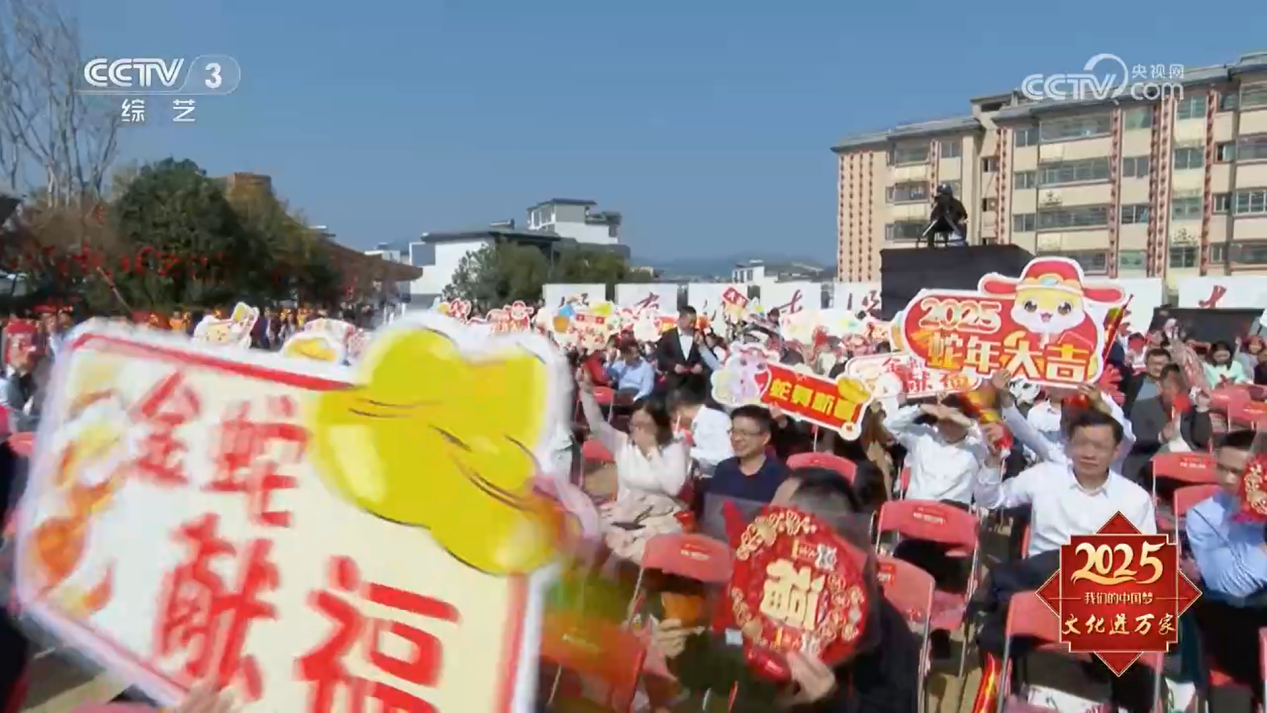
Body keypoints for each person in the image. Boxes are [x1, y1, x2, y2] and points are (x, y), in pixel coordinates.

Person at [653, 468, 921, 713]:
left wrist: (833, 700)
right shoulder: (758, 595)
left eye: (782, 520)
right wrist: (685, 652)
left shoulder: (884, 631)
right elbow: (721, 673)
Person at [970, 410, 1159, 713]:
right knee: (996, 630)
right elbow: (991, 500)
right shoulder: (1046, 476)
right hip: (1038, 589)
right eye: (1082, 444)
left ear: (1117, 451)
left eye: (1099, 446)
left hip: (1099, 596)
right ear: (1069, 445)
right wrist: (993, 462)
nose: (1089, 453)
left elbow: (1145, 565)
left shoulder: (1134, 499)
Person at [1184, 430, 1267, 704]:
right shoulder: (1204, 516)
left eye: (1240, 472)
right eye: (1223, 468)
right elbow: (1229, 583)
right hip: (1237, 622)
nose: (1229, 479)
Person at [577, 367, 688, 564]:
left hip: (659, 519)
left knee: (640, 547)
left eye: (645, 426)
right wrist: (586, 391)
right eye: (634, 425)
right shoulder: (623, 444)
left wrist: (652, 450)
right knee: (583, 533)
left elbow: (673, 487)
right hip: (623, 513)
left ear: (660, 427)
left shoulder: (674, 448)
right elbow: (597, 425)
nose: (638, 431)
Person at [1124, 363, 1212, 483]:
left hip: (1189, 465)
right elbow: (1134, 438)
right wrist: (1161, 437)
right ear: (1160, 387)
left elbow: (1202, 440)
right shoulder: (1142, 407)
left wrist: (1202, 408)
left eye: (1181, 389)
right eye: (1171, 388)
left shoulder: (1193, 410)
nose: (1176, 393)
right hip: (1153, 467)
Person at [705, 405, 790, 504]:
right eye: (733, 432)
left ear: (765, 438)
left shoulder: (780, 475)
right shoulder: (724, 468)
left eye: (744, 433)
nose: (736, 438)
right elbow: (713, 511)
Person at [667, 387, 734, 476]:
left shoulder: (713, 419)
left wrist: (688, 451)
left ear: (679, 412)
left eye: (675, 419)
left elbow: (726, 456)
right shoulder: (699, 422)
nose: (678, 424)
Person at [656, 307, 708, 390]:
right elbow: (661, 355)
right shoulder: (668, 335)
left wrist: (700, 364)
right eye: (690, 322)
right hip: (675, 381)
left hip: (695, 381)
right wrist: (673, 366)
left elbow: (707, 353)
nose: (692, 325)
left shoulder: (699, 334)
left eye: (694, 322)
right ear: (681, 319)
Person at [1125, 347, 1173, 413]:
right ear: (1146, 364)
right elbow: (1127, 408)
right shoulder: (1136, 381)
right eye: (1153, 363)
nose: (1158, 367)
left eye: (1162, 364)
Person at [923, 183, 967, 248]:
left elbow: (963, 216)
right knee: (931, 228)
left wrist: (954, 217)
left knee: (962, 224)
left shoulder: (956, 204)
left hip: (954, 227)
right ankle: (930, 245)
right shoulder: (938, 207)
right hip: (943, 226)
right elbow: (933, 219)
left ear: (949, 195)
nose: (942, 199)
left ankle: (959, 241)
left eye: (944, 196)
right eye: (941, 197)